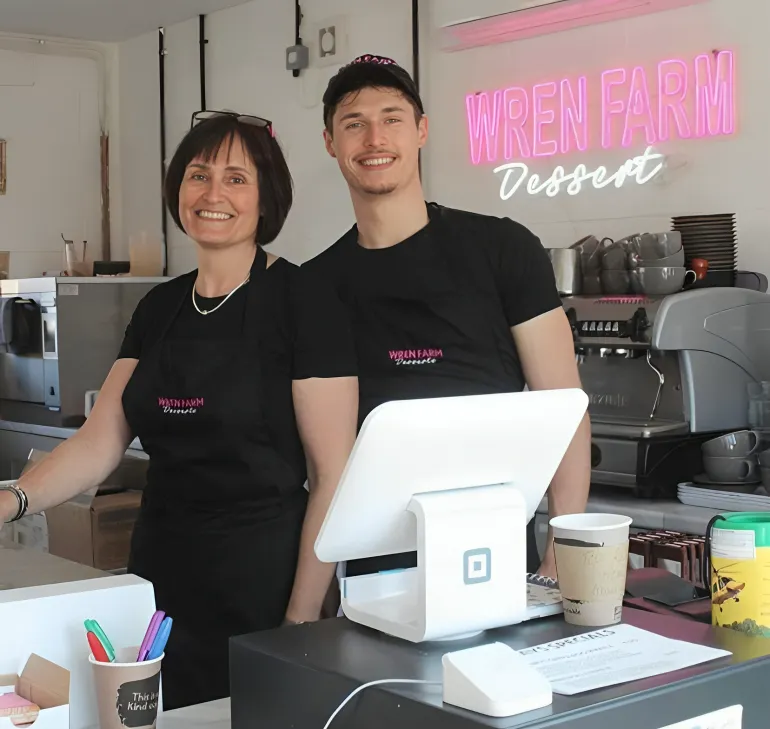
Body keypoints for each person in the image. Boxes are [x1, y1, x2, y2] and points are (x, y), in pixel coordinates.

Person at [0, 111, 358, 709]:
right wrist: (12, 499)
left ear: (267, 198)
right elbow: (99, 443)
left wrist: (300, 620)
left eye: (236, 179)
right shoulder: (159, 307)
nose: (214, 194)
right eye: (198, 175)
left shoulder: (305, 301)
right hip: (159, 579)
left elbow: (332, 478)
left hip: (264, 581)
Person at [303, 55, 590, 580]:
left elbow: (565, 409)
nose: (374, 138)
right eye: (354, 123)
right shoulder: (317, 284)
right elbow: (328, 467)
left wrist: (560, 554)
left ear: (421, 131)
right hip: (374, 573)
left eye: (392, 118)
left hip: (498, 559)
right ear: (330, 142)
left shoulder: (502, 248)